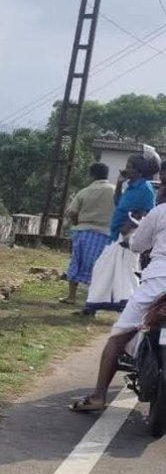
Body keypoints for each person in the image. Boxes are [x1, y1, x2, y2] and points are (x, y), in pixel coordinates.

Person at [70, 198, 166, 412]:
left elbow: (138, 245)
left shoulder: (159, 212)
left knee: (118, 337)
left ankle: (98, 396)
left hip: (157, 284)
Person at [80, 151, 158, 316]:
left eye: (130, 167)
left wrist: (128, 227)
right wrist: (119, 184)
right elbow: (118, 203)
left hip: (128, 237)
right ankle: (94, 305)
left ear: (138, 171)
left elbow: (145, 212)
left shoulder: (145, 189)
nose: (126, 169)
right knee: (104, 269)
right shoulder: (131, 186)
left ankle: (132, 307)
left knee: (125, 272)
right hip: (116, 235)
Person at [61, 162, 115, 304]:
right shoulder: (114, 191)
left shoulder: (84, 192)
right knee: (98, 267)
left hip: (83, 231)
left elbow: (72, 212)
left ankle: (71, 296)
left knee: (76, 263)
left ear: (92, 175)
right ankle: (93, 299)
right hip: (105, 234)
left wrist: (77, 223)